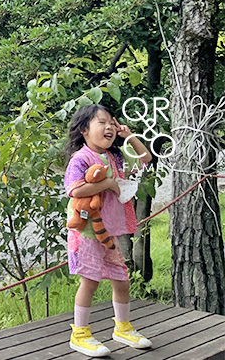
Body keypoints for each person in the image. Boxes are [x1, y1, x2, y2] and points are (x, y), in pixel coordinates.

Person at [64, 104, 153, 357]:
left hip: (109, 232)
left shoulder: (115, 157)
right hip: (87, 232)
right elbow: (75, 190)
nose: (109, 127)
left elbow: (146, 160)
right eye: (101, 122)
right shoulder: (80, 158)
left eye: (111, 123)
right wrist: (109, 182)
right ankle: (79, 334)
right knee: (90, 281)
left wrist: (130, 136)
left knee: (122, 280)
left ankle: (122, 328)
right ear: (84, 129)